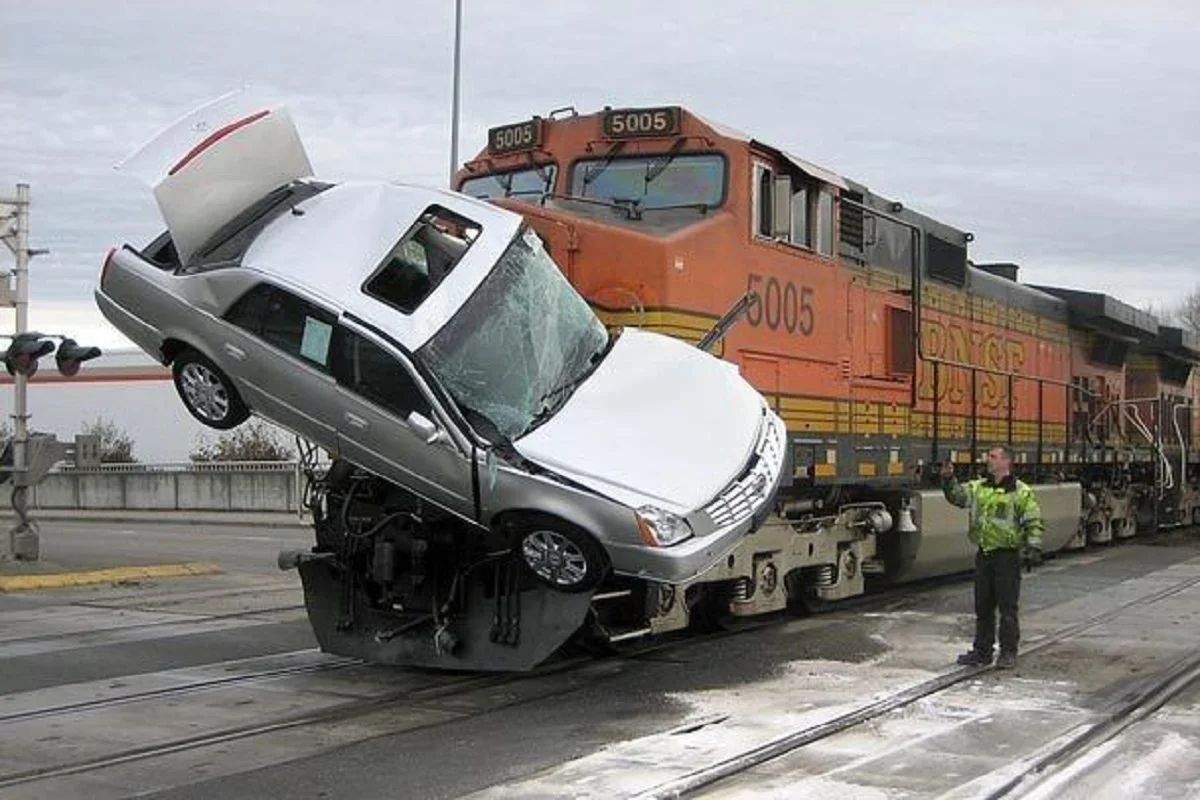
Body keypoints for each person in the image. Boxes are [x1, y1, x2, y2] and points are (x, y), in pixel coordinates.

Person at [940, 445, 1044, 670]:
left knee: (1008, 607)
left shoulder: (1020, 491)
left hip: (1007, 556)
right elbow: (958, 497)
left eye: (994, 457)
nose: (989, 460)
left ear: (1007, 462)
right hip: (985, 555)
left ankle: (1008, 652)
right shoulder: (978, 488)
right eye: (989, 457)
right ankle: (982, 651)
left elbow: (1033, 519)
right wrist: (948, 479)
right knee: (983, 606)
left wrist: (1033, 548)